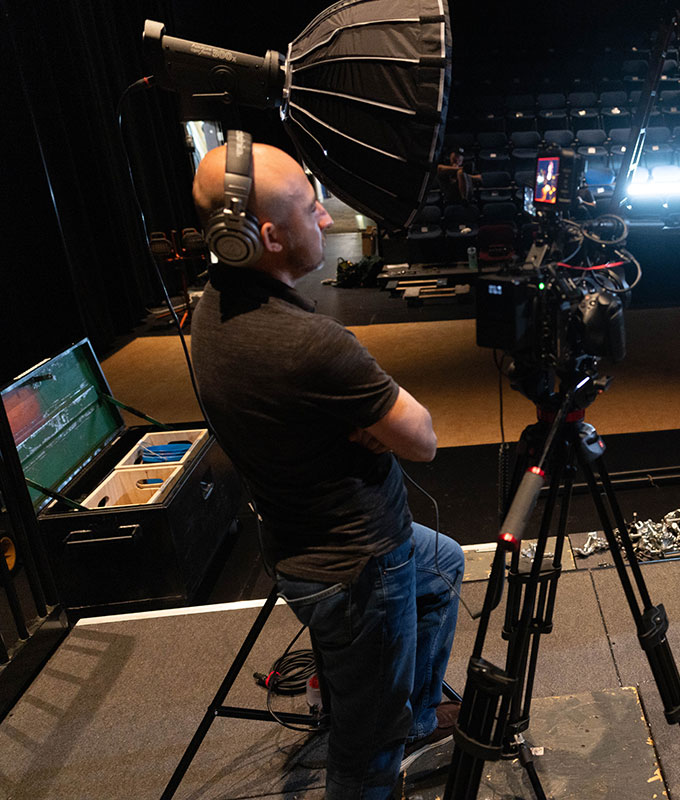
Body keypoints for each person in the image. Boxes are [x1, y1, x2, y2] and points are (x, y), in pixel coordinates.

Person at [189, 139, 464, 798]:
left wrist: (360, 424)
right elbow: (422, 438)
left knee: (444, 566)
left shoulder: (211, 308)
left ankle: (416, 719)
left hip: (299, 545)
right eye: (311, 208)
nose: (325, 219)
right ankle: (391, 737)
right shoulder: (311, 345)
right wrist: (374, 425)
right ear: (265, 237)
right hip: (359, 568)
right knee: (365, 751)